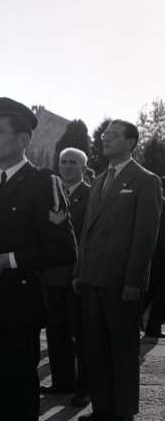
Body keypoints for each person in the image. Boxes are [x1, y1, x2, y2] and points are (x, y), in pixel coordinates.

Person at [0, 97, 77, 421]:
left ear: (23, 139)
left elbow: (64, 249)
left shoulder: (44, 182)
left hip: (18, 310)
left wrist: (7, 260)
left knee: (15, 400)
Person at [73, 120, 162, 421]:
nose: (104, 139)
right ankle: (103, 410)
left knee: (122, 350)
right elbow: (86, 231)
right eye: (103, 135)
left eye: (112, 135)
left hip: (120, 281)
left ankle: (123, 413)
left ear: (131, 142)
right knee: (96, 349)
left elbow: (145, 235)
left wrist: (134, 281)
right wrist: (79, 271)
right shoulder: (99, 179)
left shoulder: (146, 180)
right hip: (91, 278)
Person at [41, 148, 91, 407]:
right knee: (56, 332)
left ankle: (85, 388)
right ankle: (62, 382)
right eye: (63, 162)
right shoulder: (50, 193)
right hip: (51, 275)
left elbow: (89, 236)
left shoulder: (91, 195)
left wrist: (82, 271)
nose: (67, 166)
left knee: (80, 335)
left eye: (73, 162)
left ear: (83, 167)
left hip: (76, 276)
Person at [142, 177, 165, 338]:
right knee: (160, 295)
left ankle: (144, 324)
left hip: (152, 255)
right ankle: (153, 327)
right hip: (160, 256)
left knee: (150, 292)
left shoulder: (156, 202)